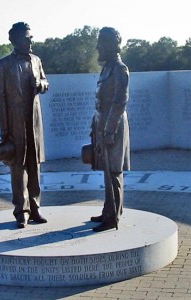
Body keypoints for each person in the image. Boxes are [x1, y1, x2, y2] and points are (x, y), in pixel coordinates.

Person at [0, 22, 49, 228]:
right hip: (15, 121)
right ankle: (21, 211)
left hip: (34, 121)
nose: (30, 40)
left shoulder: (36, 60)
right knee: (18, 166)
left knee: (35, 165)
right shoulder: (3, 64)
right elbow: (0, 99)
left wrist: (41, 85)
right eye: (26, 37)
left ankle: (35, 207)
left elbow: (46, 81)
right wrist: (4, 130)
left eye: (30, 37)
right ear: (14, 40)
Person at [90, 27, 130, 232]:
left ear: (110, 45)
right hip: (103, 125)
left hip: (113, 128)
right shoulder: (107, 68)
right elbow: (101, 102)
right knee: (106, 171)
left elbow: (119, 102)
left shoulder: (120, 69)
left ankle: (113, 217)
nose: (97, 48)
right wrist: (95, 125)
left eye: (100, 43)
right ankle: (108, 210)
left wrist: (109, 131)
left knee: (114, 171)